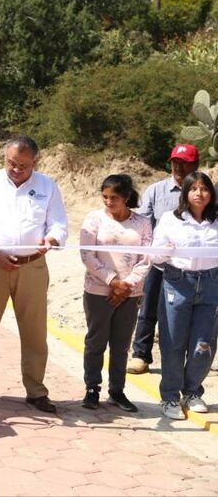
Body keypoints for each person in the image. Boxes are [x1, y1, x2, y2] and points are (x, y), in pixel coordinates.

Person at [0, 135, 68, 414]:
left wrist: (51, 241)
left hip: (33, 266)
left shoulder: (47, 186)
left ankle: (36, 391)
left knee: (34, 330)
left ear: (35, 162)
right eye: (11, 163)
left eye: (23, 165)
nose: (16, 169)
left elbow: (59, 225)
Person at [78, 174, 151, 413]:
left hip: (129, 294)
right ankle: (92, 389)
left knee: (120, 345)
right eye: (105, 197)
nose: (109, 202)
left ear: (127, 197)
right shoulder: (93, 219)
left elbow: (147, 257)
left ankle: (117, 391)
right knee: (95, 342)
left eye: (114, 198)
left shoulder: (142, 223)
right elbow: (87, 254)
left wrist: (126, 285)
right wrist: (112, 281)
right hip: (99, 291)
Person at [128, 144, 200, 375]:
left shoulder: (205, 191)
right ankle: (141, 355)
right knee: (148, 310)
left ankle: (193, 360)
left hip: (194, 268)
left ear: (195, 165)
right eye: (175, 162)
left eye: (185, 162)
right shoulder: (155, 191)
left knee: (192, 315)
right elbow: (142, 225)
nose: (179, 166)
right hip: (159, 265)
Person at [152, 171, 218, 420]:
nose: (199, 194)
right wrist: (164, 250)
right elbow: (155, 256)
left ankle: (192, 392)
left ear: (210, 193)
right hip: (178, 283)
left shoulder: (216, 220)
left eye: (204, 189)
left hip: (212, 284)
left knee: (203, 344)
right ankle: (169, 396)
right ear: (186, 193)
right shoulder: (171, 219)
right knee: (173, 342)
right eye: (194, 189)